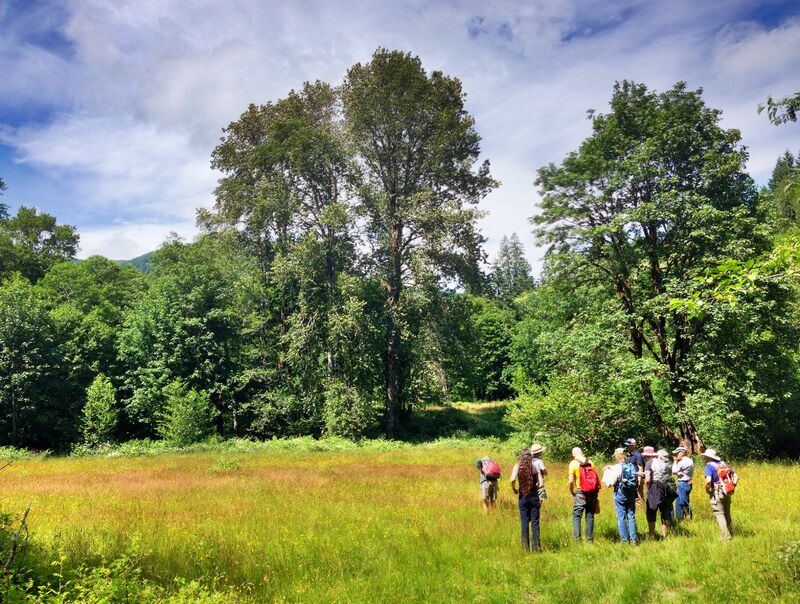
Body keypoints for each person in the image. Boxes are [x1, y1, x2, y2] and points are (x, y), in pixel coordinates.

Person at [603, 448, 638, 545]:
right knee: (631, 516)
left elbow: (610, 483)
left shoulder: (616, 467)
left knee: (621, 517)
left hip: (620, 494)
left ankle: (624, 541)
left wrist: (607, 480)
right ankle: (634, 540)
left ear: (617, 457)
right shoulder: (630, 466)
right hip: (631, 493)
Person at [702, 448, 738, 541]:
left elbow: (708, 481)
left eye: (705, 456)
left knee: (719, 514)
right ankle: (731, 532)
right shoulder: (723, 464)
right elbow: (736, 476)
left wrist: (707, 490)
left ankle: (726, 536)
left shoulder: (709, 466)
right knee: (727, 513)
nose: (704, 458)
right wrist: (732, 486)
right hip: (727, 492)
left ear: (708, 457)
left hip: (717, 493)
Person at [510, 448, 541, 551]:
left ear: (521, 456)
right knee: (535, 522)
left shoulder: (517, 466)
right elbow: (541, 483)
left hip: (523, 497)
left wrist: (514, 488)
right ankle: (536, 548)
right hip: (534, 497)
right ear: (530, 457)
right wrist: (536, 485)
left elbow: (512, 479)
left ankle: (525, 548)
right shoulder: (535, 466)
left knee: (524, 522)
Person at [568, 447, 599, 543]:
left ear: (574, 455)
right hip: (592, 492)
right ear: (582, 453)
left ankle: (577, 540)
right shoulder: (590, 462)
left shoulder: (573, 463)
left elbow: (570, 481)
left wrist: (572, 492)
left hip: (580, 491)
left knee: (577, 515)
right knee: (590, 515)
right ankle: (589, 540)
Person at [644, 448, 675, 539]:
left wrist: (647, 490)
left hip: (654, 488)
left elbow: (648, 480)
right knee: (665, 512)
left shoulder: (649, 463)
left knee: (651, 512)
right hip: (666, 488)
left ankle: (651, 535)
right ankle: (665, 535)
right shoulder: (667, 464)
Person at [672, 446, 694, 521]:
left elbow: (674, 471)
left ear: (681, 453)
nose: (675, 456)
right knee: (678, 502)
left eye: (676, 454)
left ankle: (689, 517)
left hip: (683, 483)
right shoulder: (689, 460)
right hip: (687, 483)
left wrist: (675, 461)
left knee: (683, 502)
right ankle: (680, 518)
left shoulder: (683, 462)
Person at [624, 438, 645, 505]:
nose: (627, 447)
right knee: (633, 497)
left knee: (639, 496)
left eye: (629, 445)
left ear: (634, 445)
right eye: (627, 445)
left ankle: (641, 510)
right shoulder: (629, 455)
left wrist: (639, 480)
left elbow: (640, 468)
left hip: (637, 479)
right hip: (631, 479)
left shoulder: (637, 455)